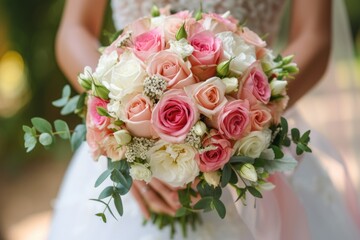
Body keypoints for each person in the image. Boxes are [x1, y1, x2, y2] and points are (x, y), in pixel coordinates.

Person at [50, 0, 360, 239]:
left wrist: (243, 113)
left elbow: (314, 38)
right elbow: (74, 30)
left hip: (251, 145)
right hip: (128, 147)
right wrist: (127, 132)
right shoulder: (127, 135)